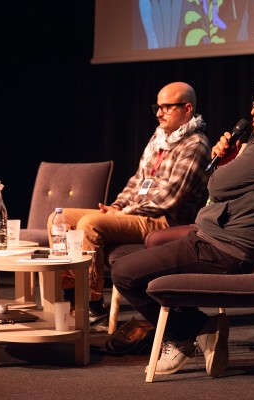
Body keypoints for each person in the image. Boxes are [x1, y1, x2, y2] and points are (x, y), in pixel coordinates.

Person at [111, 75, 254, 377]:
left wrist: (225, 160)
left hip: (222, 249)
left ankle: (187, 332)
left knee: (123, 273)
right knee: (130, 255)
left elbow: (217, 185)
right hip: (218, 238)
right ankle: (198, 328)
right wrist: (232, 159)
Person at [48, 81, 212, 324]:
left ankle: (92, 304)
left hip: (164, 222)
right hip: (136, 214)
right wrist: (117, 206)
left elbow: (171, 197)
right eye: (157, 107)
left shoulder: (195, 145)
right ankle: (72, 295)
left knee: (90, 224)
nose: (159, 113)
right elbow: (137, 180)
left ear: (187, 109)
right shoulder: (159, 139)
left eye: (166, 107)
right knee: (58, 219)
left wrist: (125, 213)